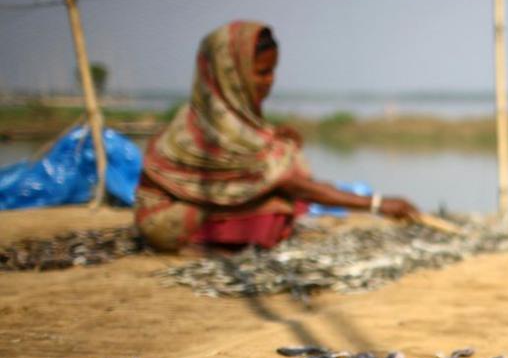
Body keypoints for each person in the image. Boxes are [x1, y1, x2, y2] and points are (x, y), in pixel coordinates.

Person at [135, 21, 419, 252]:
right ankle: (207, 244)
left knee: (283, 193)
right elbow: (295, 184)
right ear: (230, 75)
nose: (270, 81)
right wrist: (379, 204)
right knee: (277, 209)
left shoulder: (219, 119)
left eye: (273, 72)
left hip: (194, 208)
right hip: (166, 223)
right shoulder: (217, 129)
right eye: (261, 73)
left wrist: (275, 139)